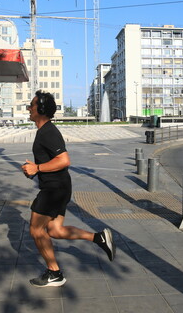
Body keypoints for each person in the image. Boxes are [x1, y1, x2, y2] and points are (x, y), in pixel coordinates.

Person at [22, 90, 116, 287]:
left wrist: (37, 168)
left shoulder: (48, 132)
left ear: (40, 109)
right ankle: (98, 238)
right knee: (55, 230)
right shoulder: (45, 131)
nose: (28, 108)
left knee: (36, 229)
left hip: (54, 190)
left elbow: (64, 160)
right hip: (59, 187)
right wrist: (35, 168)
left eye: (31, 105)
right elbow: (53, 160)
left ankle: (54, 273)